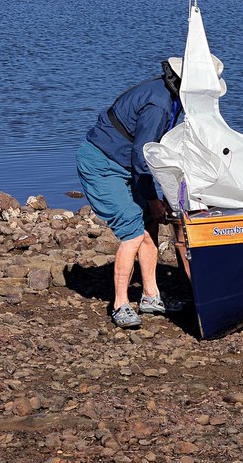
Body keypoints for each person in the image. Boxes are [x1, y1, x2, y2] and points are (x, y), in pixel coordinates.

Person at [76, 57, 185, 328]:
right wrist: (152, 197)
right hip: (102, 164)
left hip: (125, 163)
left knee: (149, 225)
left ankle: (150, 296)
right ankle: (120, 305)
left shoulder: (171, 97)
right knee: (133, 231)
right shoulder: (158, 105)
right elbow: (141, 154)